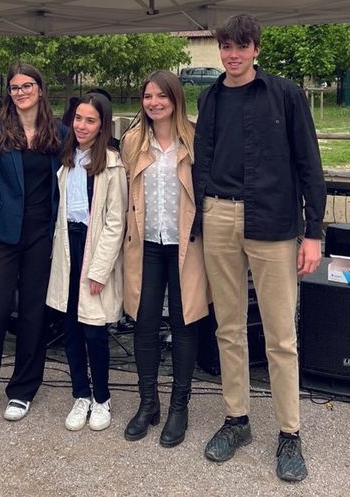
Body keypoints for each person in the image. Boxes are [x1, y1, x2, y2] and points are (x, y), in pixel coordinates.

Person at [192, 14, 326, 482]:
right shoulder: (209, 97)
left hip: (272, 220)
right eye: (226, 47)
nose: (232, 55)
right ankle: (237, 420)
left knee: (280, 335)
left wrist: (314, 231)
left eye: (241, 46)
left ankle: (289, 433)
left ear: (256, 50)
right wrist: (204, 211)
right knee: (228, 327)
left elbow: (309, 163)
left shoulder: (286, 94)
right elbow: (202, 158)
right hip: (219, 216)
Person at [0, 64, 68, 424]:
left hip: (42, 235)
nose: (20, 92)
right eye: (14, 87)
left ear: (40, 89)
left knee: (35, 314)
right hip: (3, 235)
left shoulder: (59, 132)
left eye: (27, 85)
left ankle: (23, 390)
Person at [122, 70, 210, 448]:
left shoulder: (195, 139)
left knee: (183, 321)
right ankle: (148, 403)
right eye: (148, 96)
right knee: (143, 322)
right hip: (146, 244)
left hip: (185, 245)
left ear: (175, 99)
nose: (154, 103)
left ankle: (179, 406)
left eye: (162, 96)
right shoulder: (132, 141)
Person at [46, 93, 127, 432]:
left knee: (94, 330)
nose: (81, 125)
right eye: (78, 118)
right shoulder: (67, 158)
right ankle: (80, 393)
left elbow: (115, 222)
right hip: (68, 246)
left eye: (90, 120)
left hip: (94, 249)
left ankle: (102, 398)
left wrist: (99, 269)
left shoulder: (112, 164)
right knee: (71, 329)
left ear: (102, 125)